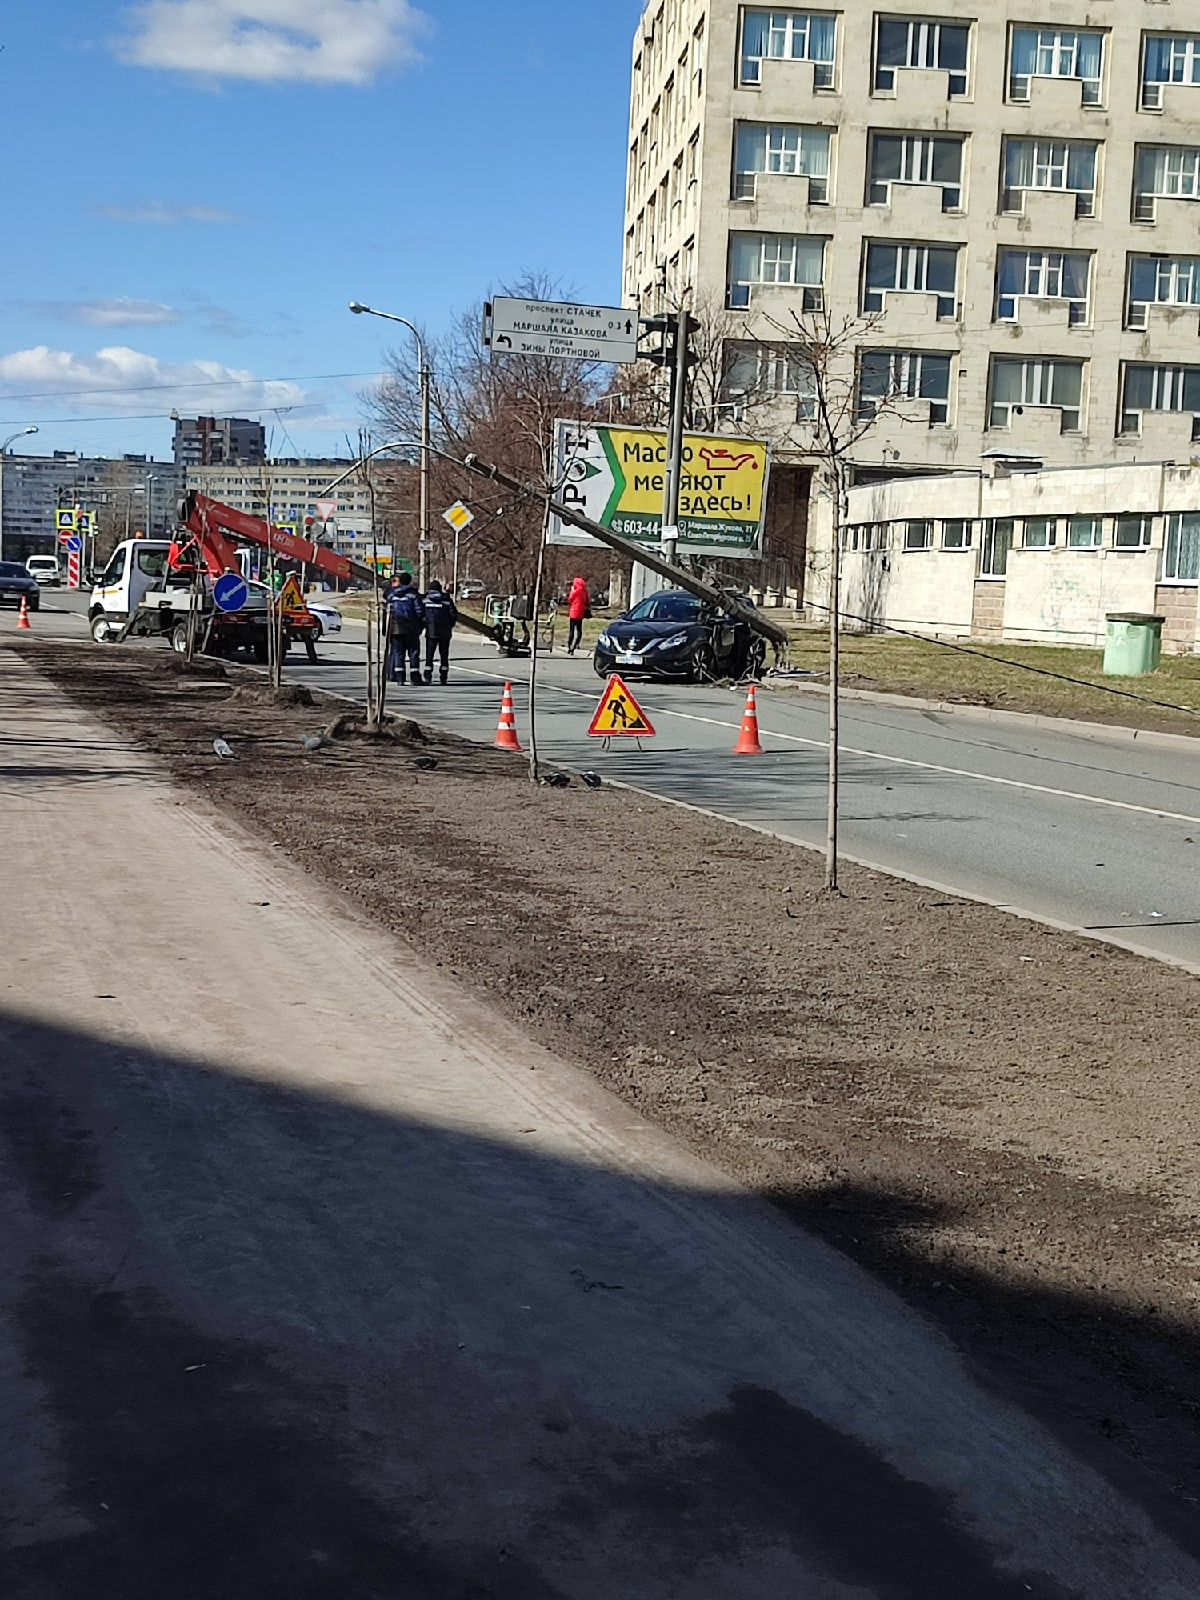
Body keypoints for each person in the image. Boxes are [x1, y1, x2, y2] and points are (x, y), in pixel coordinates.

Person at [386, 572, 425, 684]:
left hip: (396, 628)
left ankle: (400, 678)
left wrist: (388, 628)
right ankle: (414, 677)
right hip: (411, 628)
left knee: (398, 653)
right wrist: (420, 625)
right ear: (409, 581)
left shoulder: (392, 595)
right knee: (413, 652)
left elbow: (387, 611)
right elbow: (420, 612)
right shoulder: (413, 595)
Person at [422, 579, 459, 684]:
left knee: (429, 655)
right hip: (445, 631)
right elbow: (453, 615)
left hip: (431, 630)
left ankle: (428, 675)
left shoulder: (425, 600)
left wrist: (425, 624)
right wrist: (449, 625)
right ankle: (443, 676)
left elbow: (421, 614)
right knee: (444, 655)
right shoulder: (447, 600)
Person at [566, 575, 590, 655]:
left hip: (573, 613)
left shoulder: (576, 591)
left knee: (572, 630)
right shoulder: (584, 592)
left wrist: (572, 590)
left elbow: (570, 599)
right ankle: (575, 645)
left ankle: (569, 645)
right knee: (579, 630)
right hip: (580, 613)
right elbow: (587, 601)